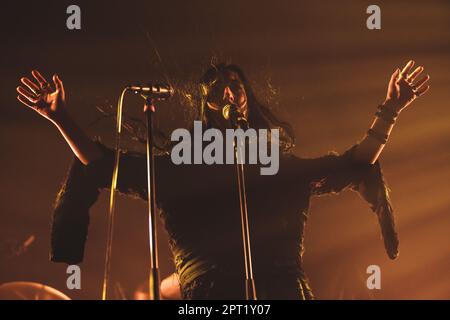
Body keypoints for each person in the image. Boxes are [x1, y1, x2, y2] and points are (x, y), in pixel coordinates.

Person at [16, 61, 430, 299]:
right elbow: (104, 164)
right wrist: (60, 117)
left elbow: (353, 163)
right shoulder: (183, 168)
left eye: (236, 86)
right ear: (205, 107)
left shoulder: (276, 165)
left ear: (247, 98)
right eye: (217, 90)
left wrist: (390, 110)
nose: (229, 94)